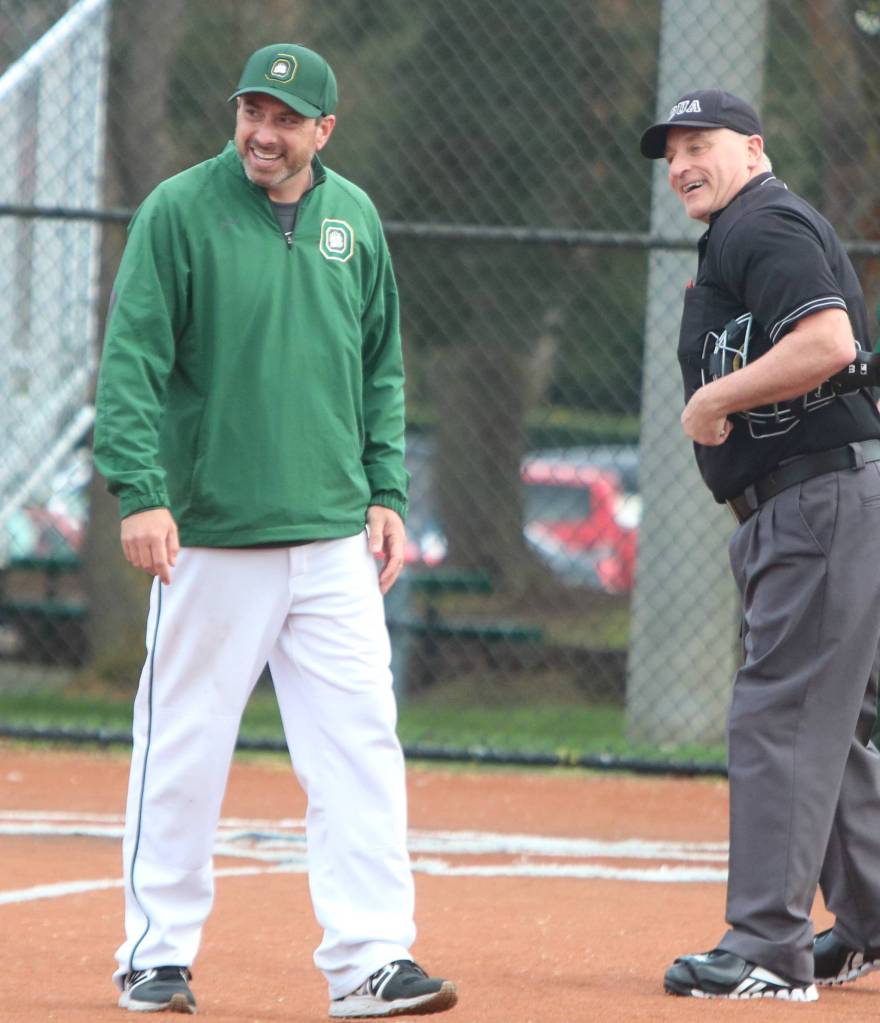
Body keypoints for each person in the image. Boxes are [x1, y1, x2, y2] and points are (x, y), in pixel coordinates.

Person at [93, 42, 458, 1018]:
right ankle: (155, 955)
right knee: (184, 746)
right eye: (253, 111)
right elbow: (130, 362)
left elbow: (380, 363)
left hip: (335, 537)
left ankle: (370, 959)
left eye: (286, 119)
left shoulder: (355, 219)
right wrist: (139, 492)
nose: (263, 131)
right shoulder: (179, 210)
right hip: (211, 536)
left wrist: (386, 488)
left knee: (359, 747)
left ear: (322, 131)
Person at [639, 88, 880, 1001]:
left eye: (700, 143)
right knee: (829, 723)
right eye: (671, 153)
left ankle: (769, 951)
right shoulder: (744, 229)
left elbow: (826, 341)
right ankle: (871, 917)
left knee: (778, 715)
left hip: (816, 502)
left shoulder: (761, 223)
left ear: (753, 147)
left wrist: (714, 400)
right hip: (825, 500)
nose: (682, 164)